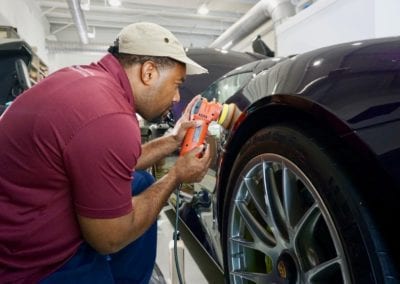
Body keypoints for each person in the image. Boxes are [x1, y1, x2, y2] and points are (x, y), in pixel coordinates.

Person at [0, 22, 212, 283]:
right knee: (118, 227)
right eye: (176, 84)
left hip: (24, 214)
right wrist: (176, 176)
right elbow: (109, 239)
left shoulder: (86, 80)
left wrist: (173, 141)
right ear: (148, 72)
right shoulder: (110, 117)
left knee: (141, 182)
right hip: (30, 264)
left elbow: (114, 162)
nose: (177, 97)